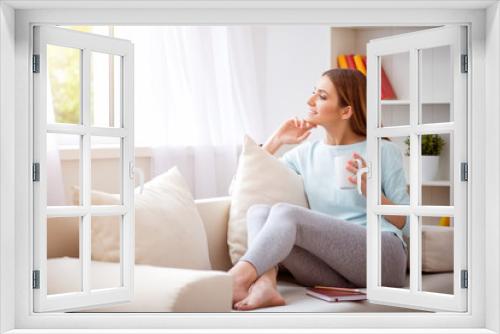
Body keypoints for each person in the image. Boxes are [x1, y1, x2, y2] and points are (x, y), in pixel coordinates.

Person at [228, 68, 410, 311]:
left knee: (285, 213)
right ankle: (264, 284)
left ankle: (235, 279)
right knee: (258, 212)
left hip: (382, 259)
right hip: (334, 269)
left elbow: (404, 223)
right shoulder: (304, 154)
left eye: (322, 96)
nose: (310, 101)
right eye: (313, 93)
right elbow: (242, 184)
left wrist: (372, 192)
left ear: (346, 111)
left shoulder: (384, 151)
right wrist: (277, 140)